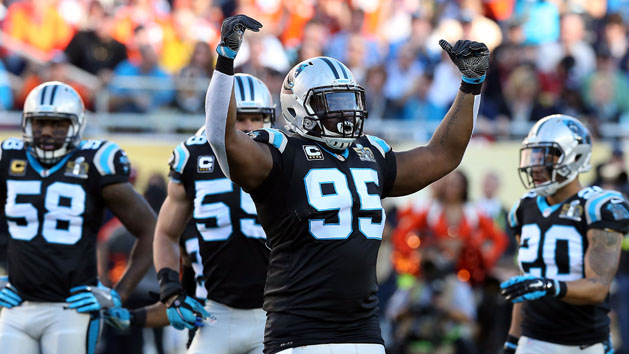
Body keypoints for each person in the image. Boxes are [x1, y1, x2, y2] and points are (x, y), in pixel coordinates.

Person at [205, 14, 490, 354]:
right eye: (331, 103)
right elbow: (223, 139)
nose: (346, 113)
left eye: (350, 101)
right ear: (298, 107)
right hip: (301, 334)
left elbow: (444, 154)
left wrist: (471, 84)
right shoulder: (280, 154)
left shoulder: (371, 153)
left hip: (366, 333)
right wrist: (225, 60)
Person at [109, 73, 275, 354]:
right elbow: (165, 234)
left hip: (276, 311)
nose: (247, 127)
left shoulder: (285, 158)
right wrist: (168, 291)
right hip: (215, 314)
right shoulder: (193, 159)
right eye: (239, 117)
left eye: (256, 118)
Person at [0, 81, 156, 353]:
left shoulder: (95, 162)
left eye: (57, 124)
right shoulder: (9, 158)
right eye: (39, 123)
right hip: (17, 305)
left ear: (76, 124)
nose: (47, 131)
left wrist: (117, 294)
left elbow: (152, 229)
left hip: (70, 307)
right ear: (27, 123)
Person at [500, 114, 628, 354]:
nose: (535, 165)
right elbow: (525, 282)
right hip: (532, 341)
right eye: (532, 155)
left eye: (545, 156)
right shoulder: (523, 209)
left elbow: (598, 287)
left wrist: (549, 285)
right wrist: (512, 341)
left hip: (584, 344)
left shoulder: (599, 207)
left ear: (575, 156)